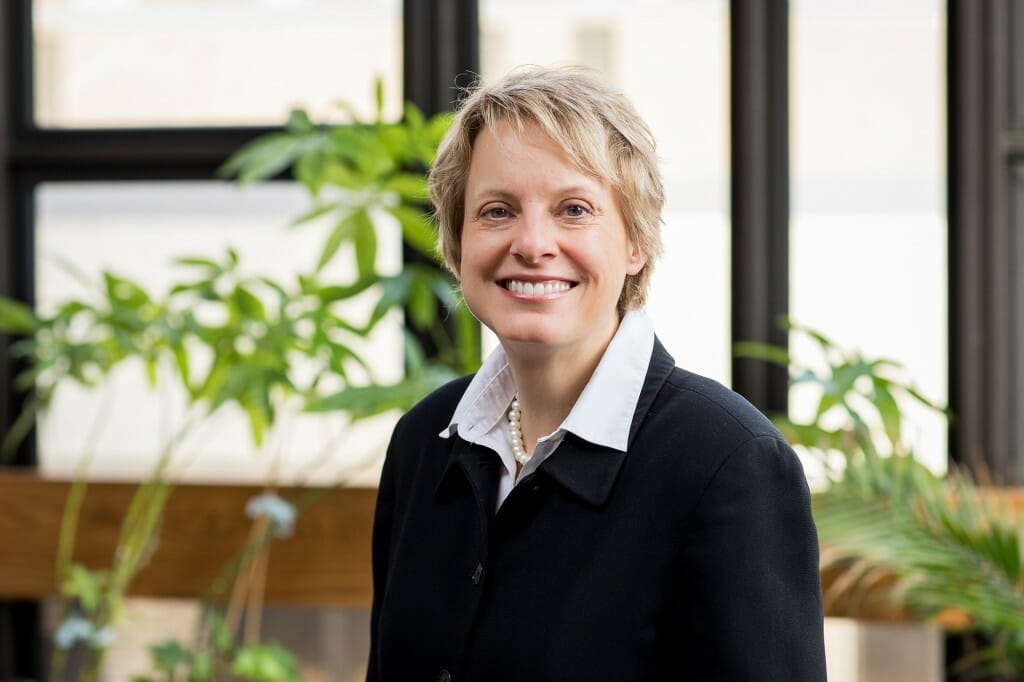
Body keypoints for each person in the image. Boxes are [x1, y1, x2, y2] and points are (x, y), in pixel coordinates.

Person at [367, 65, 826, 681]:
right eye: (497, 211)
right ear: (457, 240)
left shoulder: (728, 464)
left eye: (574, 209)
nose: (532, 243)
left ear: (635, 243)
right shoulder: (424, 443)